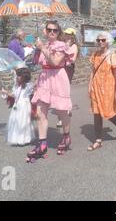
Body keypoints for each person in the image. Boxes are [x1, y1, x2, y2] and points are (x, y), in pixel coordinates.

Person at [27, 21, 73, 162]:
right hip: (45, 78)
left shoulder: (61, 46)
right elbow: (36, 62)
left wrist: (43, 49)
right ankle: (42, 144)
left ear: (59, 32)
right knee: (41, 112)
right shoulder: (44, 45)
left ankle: (66, 136)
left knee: (61, 111)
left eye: (55, 30)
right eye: (49, 30)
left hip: (58, 78)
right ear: (45, 31)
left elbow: (55, 62)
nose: (52, 32)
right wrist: (36, 49)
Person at [87, 31, 116, 150]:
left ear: (107, 41)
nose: (100, 42)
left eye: (103, 40)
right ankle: (98, 140)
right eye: (98, 40)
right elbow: (93, 72)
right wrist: (90, 85)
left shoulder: (111, 55)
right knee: (96, 113)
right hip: (96, 87)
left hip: (109, 89)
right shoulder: (95, 55)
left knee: (108, 113)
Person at [2, 67, 35, 146]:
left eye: (19, 76)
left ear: (24, 77)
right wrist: (6, 92)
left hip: (24, 106)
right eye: (17, 76)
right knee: (16, 121)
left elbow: (33, 88)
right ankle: (16, 138)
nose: (17, 77)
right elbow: (15, 96)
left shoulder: (28, 86)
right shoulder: (17, 86)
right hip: (17, 105)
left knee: (24, 121)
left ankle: (24, 138)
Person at [56, 27, 79, 128]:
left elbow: (72, 60)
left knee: (64, 90)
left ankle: (63, 116)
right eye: (66, 33)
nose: (67, 35)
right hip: (61, 68)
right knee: (61, 90)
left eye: (69, 34)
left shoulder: (74, 46)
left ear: (73, 36)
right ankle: (67, 108)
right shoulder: (63, 44)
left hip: (68, 68)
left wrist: (65, 52)